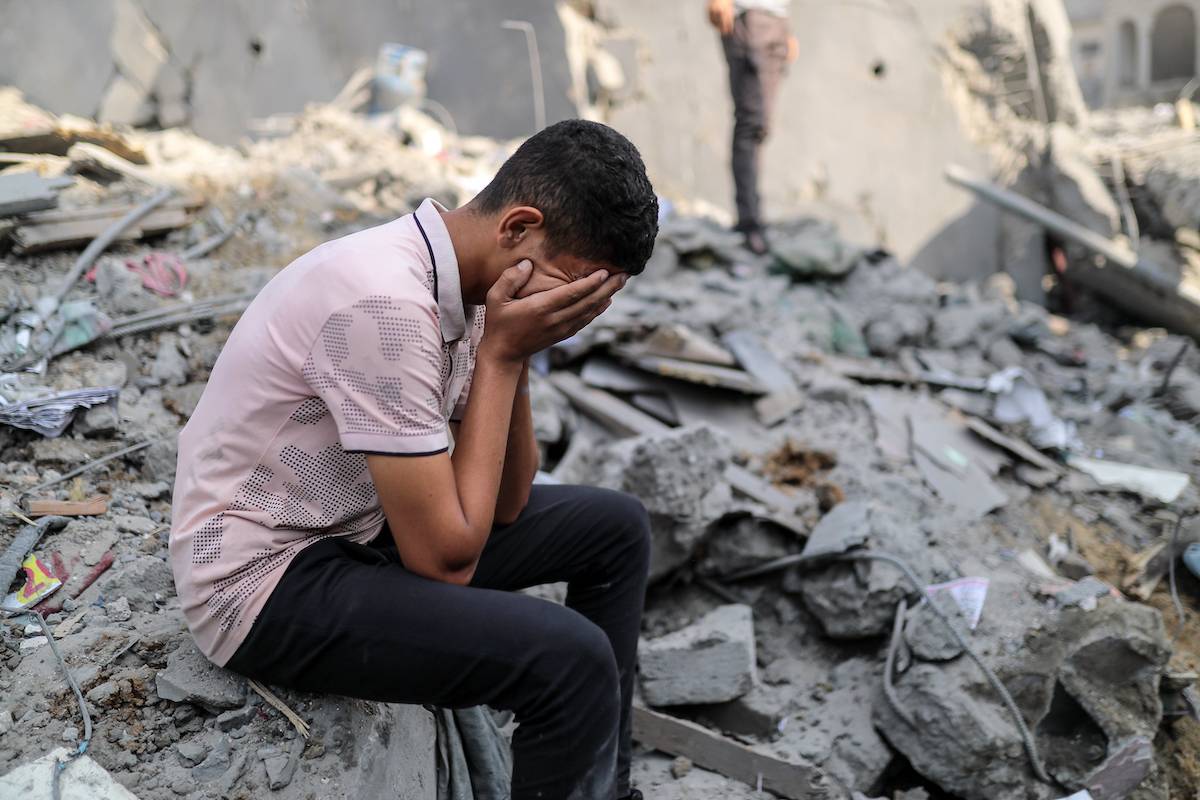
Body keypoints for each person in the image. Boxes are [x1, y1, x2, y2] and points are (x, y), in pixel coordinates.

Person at [169, 119, 659, 800]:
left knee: (617, 529)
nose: (573, 313)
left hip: (356, 527)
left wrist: (510, 351)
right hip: (264, 579)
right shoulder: (384, 306)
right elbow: (446, 560)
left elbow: (509, 504)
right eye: (571, 287)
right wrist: (505, 354)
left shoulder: (471, 281)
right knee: (568, 661)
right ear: (517, 227)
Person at [707, 0, 797, 255]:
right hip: (747, 16)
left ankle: (753, 218)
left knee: (761, 126)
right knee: (750, 122)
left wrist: (785, 27)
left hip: (775, 18)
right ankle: (749, 222)